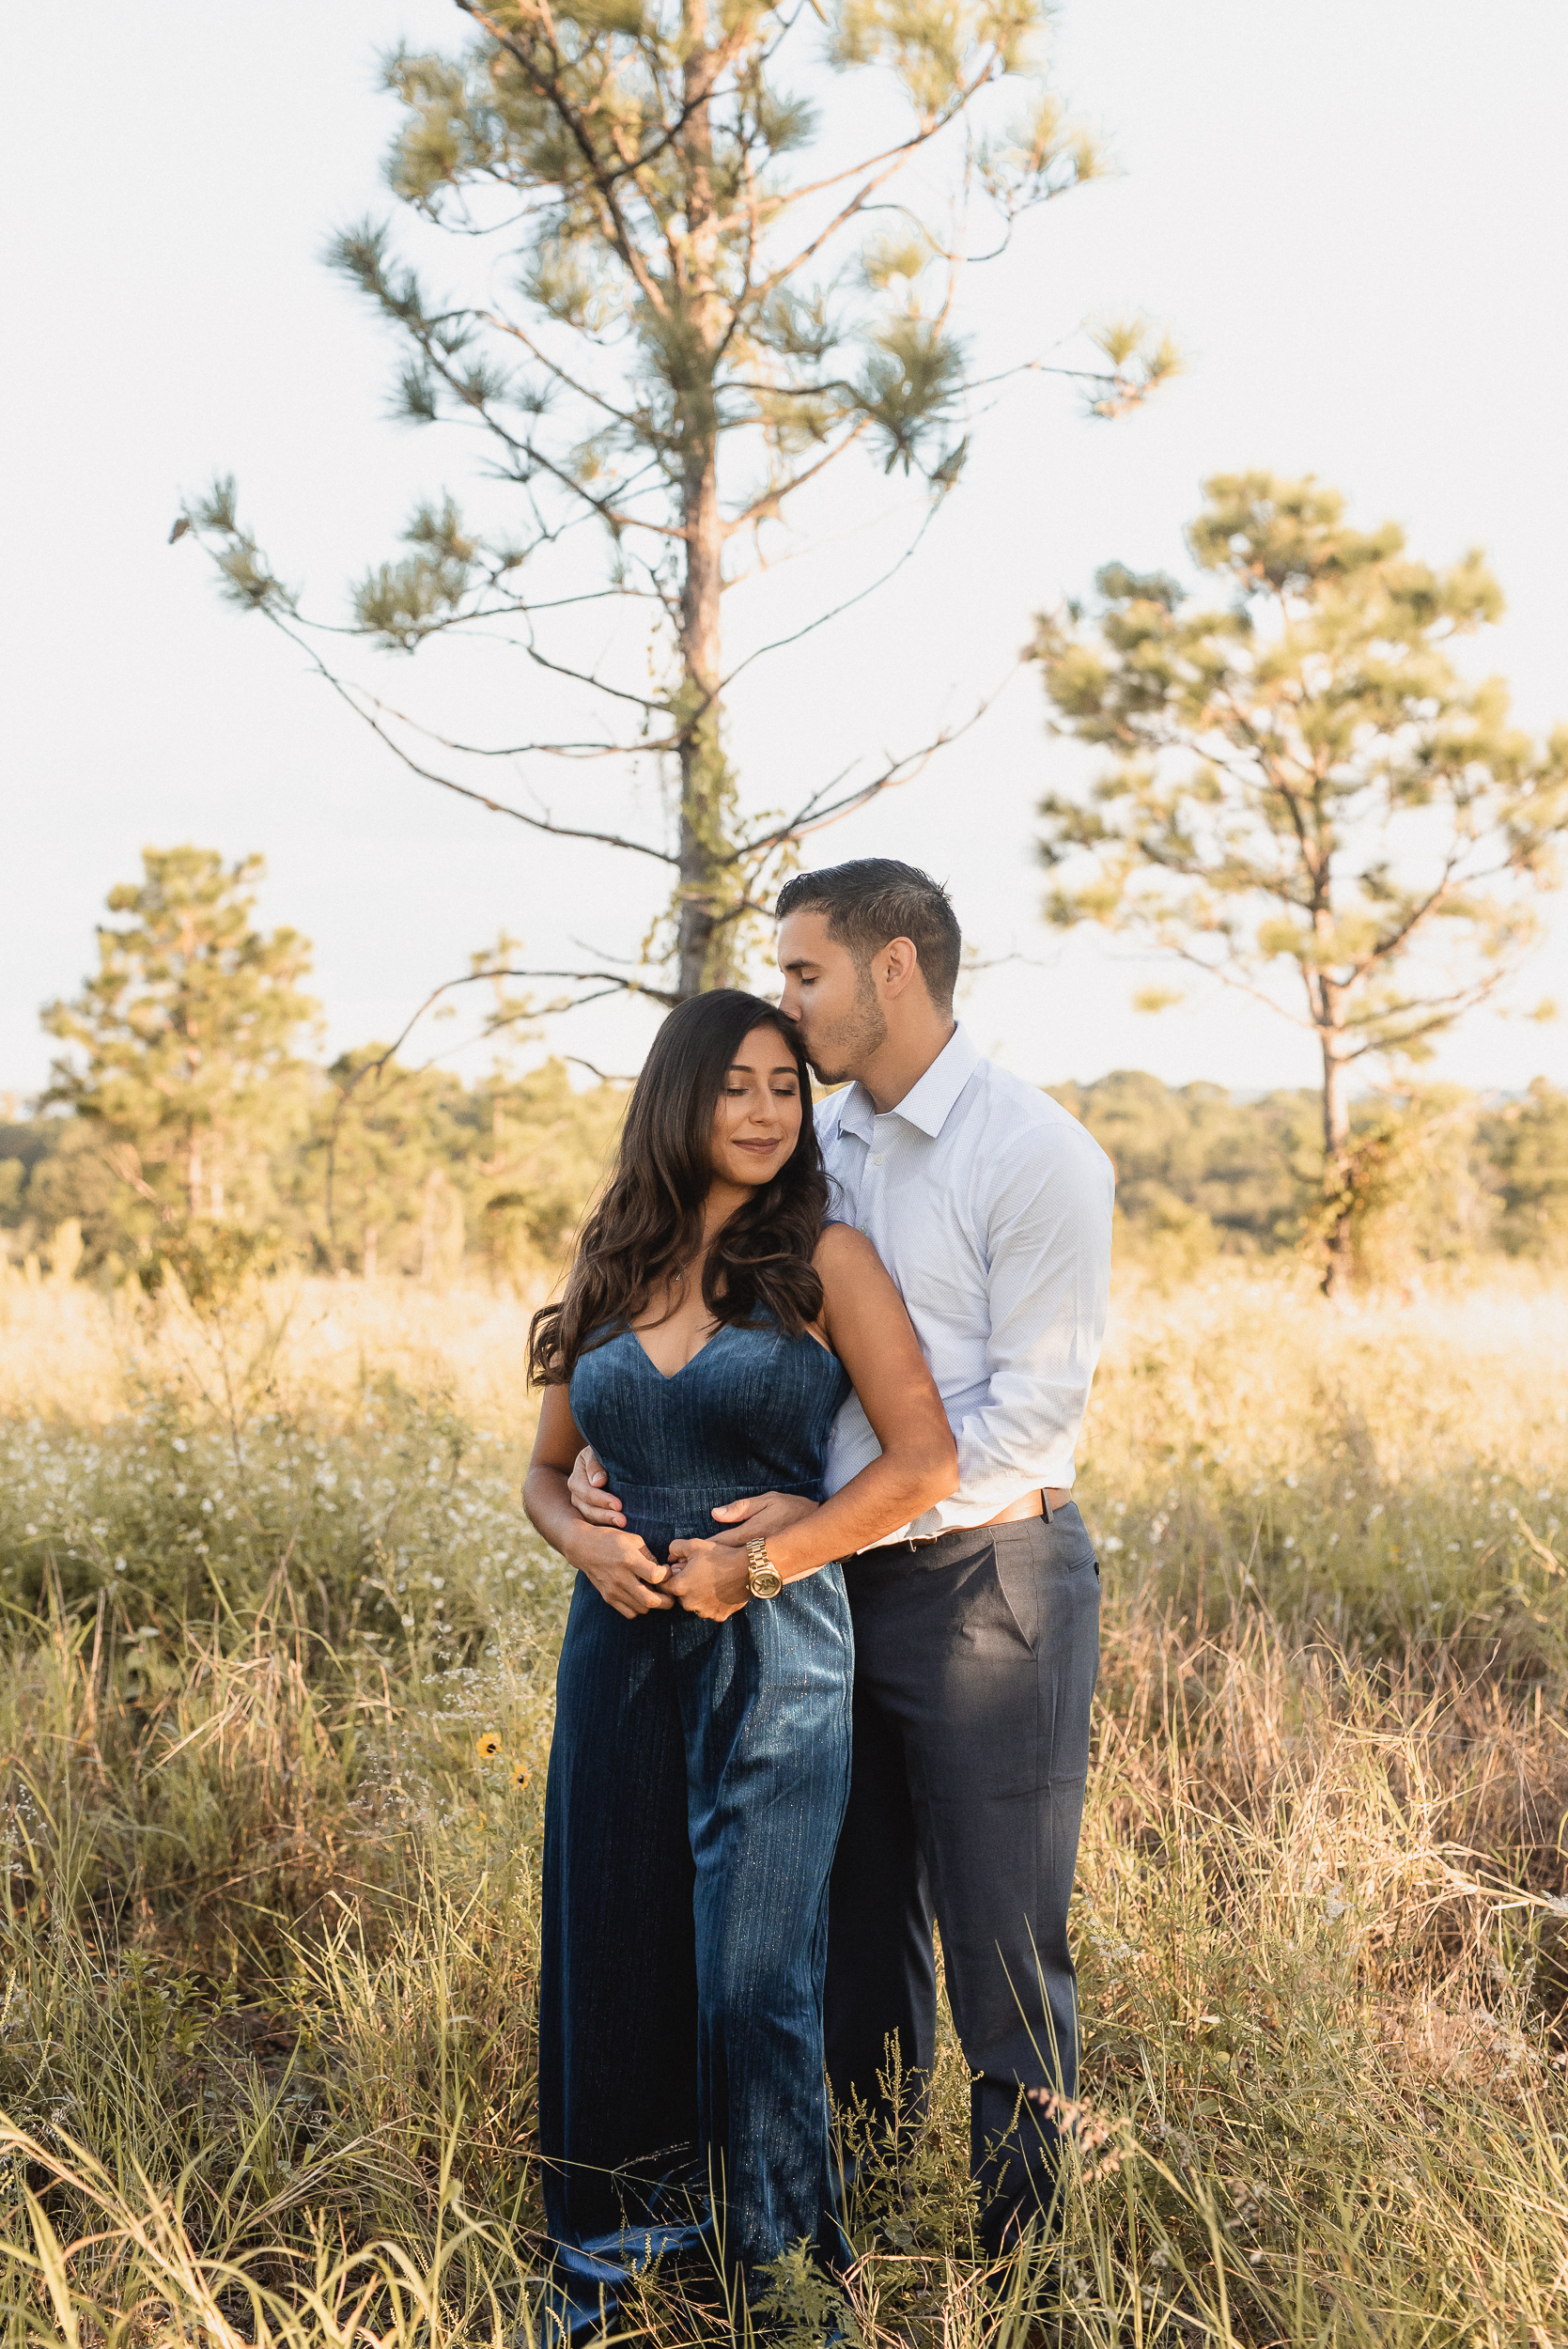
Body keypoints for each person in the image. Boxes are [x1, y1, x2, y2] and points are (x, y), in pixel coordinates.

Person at [569, 862, 1114, 2258]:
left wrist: (800, 1527)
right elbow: (741, 1329)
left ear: (889, 970)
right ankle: (847, 2230)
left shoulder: (1032, 1151)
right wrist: (642, 1459)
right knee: (848, 1939)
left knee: (1002, 1949)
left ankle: (1026, 2273)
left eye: (804, 972)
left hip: (986, 1580)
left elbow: (1023, 1420)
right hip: (813, 1591)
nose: (787, 1004)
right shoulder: (833, 1143)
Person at [523, 987, 956, 2338]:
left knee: (749, 1978)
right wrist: (582, 1548)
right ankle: (610, 2259)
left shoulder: (826, 1259)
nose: (768, 1111)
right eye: (736, 1087)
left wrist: (765, 1561)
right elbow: (542, 1476)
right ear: (679, 1100)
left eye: (785, 1085)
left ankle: (783, 2287)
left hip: (772, 1658)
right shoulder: (610, 1254)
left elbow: (922, 1461)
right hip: (615, 1662)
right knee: (612, 1952)